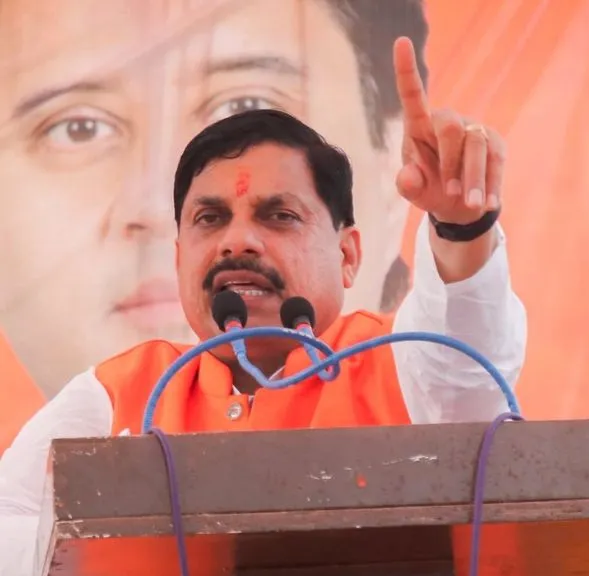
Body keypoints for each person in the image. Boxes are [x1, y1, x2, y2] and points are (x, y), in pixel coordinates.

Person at [0, 36, 528, 576]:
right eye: (209, 219)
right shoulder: (118, 395)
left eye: (277, 216)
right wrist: (108, 544)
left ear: (348, 255)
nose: (236, 241)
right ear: (180, 252)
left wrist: (462, 229)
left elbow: (469, 359)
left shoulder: (400, 366)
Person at [0, 0, 429, 402]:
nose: (160, 209)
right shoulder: (82, 416)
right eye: (79, 128)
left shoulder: (437, 394)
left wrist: (464, 229)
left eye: (244, 107)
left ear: (392, 164)